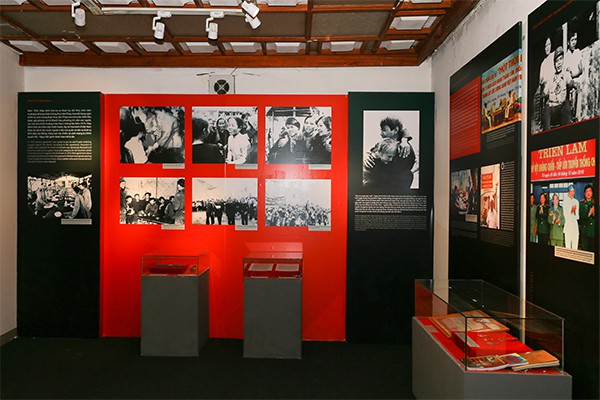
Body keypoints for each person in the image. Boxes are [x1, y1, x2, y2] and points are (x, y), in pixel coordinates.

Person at [543, 46, 570, 130]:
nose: (559, 63)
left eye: (561, 59)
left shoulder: (566, 75)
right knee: (546, 109)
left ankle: (567, 131)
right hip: (552, 108)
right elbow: (544, 93)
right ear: (554, 64)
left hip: (562, 107)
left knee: (566, 105)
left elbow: (572, 83)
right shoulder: (550, 78)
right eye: (557, 61)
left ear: (563, 61)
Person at [564, 30, 583, 122]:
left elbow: (580, 69)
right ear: (568, 42)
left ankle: (577, 117)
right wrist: (573, 73)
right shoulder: (566, 56)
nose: (574, 42)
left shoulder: (578, 52)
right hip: (570, 82)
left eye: (575, 39)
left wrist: (574, 73)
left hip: (578, 80)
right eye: (572, 40)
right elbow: (566, 72)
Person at [579, 184, 595, 252]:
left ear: (592, 193)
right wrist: (589, 213)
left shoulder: (595, 203)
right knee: (585, 252)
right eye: (587, 191)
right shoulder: (581, 204)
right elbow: (580, 218)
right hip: (585, 232)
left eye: (590, 191)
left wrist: (593, 213)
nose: (588, 193)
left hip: (593, 232)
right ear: (584, 193)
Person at [563, 185, 579, 250]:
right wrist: (571, 211)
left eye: (573, 191)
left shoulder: (576, 202)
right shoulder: (565, 202)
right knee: (568, 248)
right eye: (571, 191)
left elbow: (577, 217)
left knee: (575, 248)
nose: (572, 193)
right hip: (568, 227)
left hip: (575, 228)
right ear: (568, 192)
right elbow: (565, 216)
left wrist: (574, 212)